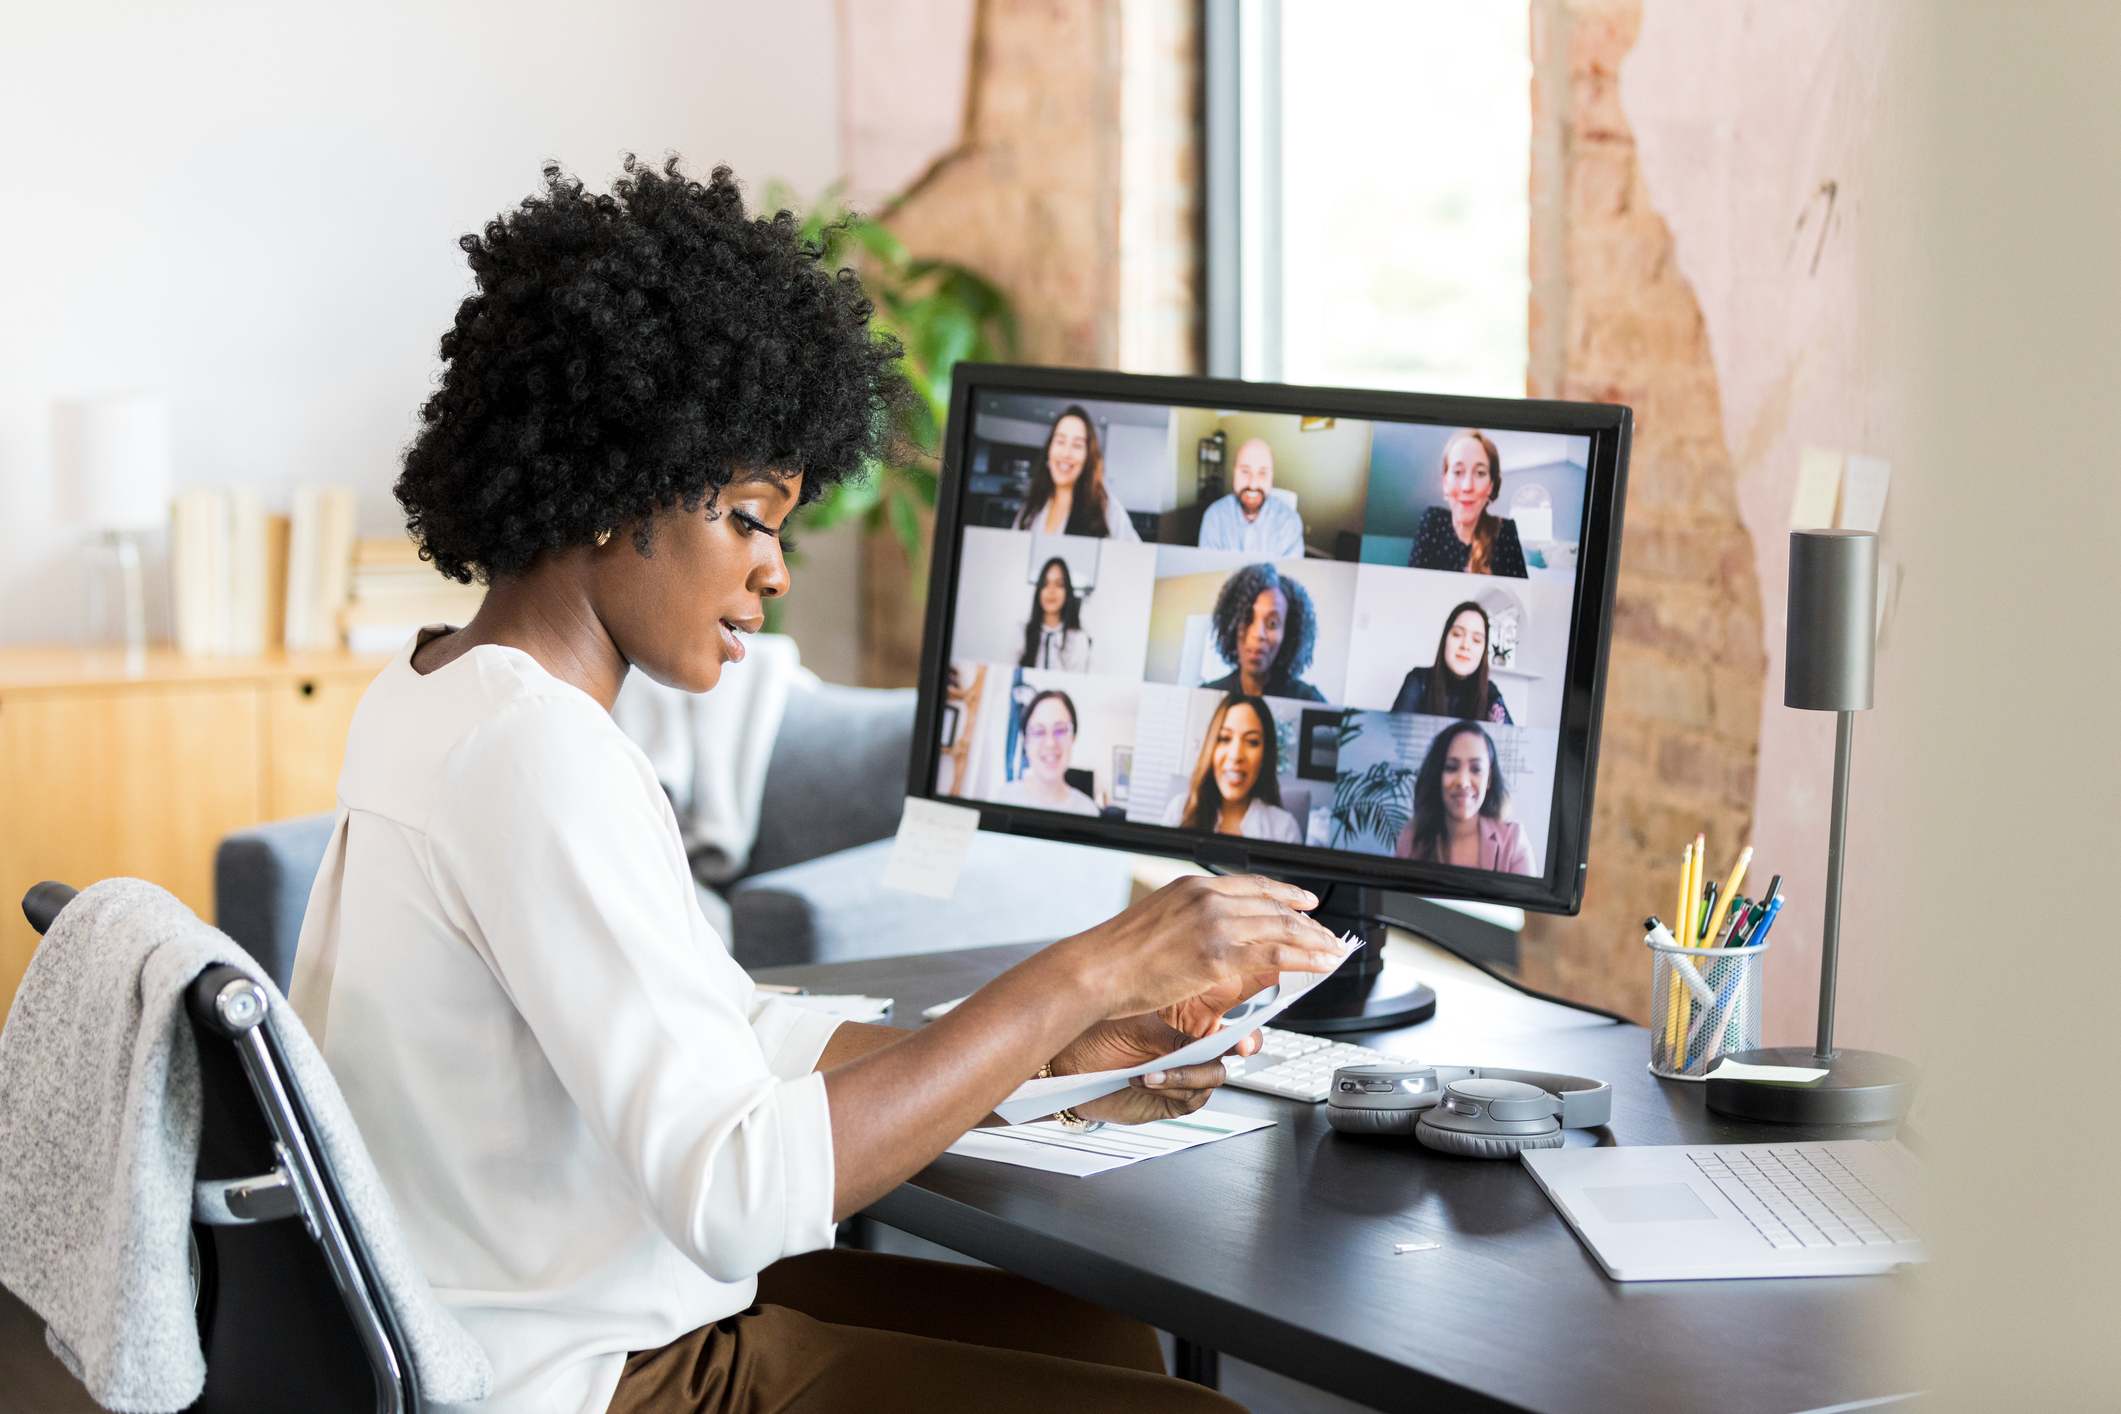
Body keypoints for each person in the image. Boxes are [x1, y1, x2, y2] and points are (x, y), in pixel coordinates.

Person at [290, 158, 1350, 1414]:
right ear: (616, 492)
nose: (776, 570)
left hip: (513, 1329)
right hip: (585, 1384)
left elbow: (729, 1037)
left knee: (1097, 1340)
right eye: (747, 516)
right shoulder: (536, 758)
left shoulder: (440, 691)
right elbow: (736, 1190)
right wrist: (1089, 968)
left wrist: (1063, 1052)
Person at [1393, 721, 1536, 875]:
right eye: (1451, 767)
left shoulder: (1513, 842)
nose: (1463, 782)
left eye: (1476, 769)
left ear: (1488, 780)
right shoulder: (1411, 837)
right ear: (1437, 776)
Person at [1161, 692, 1304, 843]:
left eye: (1252, 741)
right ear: (1211, 748)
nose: (1236, 755)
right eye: (1224, 738)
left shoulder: (1284, 830)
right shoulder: (1178, 811)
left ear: (1265, 755)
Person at [1407, 428, 1529, 578]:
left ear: (1490, 486)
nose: (1467, 486)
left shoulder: (1506, 532)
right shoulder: (1433, 521)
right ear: (1445, 482)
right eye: (1458, 472)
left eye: (1480, 473)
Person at [1198, 562, 1327, 702]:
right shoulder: (1206, 695)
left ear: (1287, 634)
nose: (1258, 634)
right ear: (1231, 625)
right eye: (1247, 619)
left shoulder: (1309, 701)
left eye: (1272, 624)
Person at [1015, 404, 1140, 540]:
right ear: (1049, 450)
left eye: (1077, 445)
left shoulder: (1106, 509)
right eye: (1060, 441)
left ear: (1088, 458)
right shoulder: (1032, 507)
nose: (1066, 453)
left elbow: (1137, 557)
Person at [1390, 600, 1514, 723]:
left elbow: (1510, 738)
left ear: (1484, 651)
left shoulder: (1489, 692)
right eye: (1457, 634)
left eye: (1476, 640)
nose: (1465, 645)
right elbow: (1392, 735)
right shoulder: (1418, 680)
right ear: (1445, 639)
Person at [995, 688, 1101, 816]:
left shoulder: (1088, 811)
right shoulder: (1004, 799)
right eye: (1039, 731)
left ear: (1073, 738)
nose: (1050, 743)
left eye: (1060, 730)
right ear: (1026, 742)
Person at [1197, 435, 1303, 556]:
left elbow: (1290, 572)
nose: (1253, 484)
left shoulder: (1290, 522)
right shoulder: (1214, 517)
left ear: (1271, 477)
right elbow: (1209, 570)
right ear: (1234, 473)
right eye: (1245, 471)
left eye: (1262, 473)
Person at [1018, 556, 1092, 671]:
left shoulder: (1079, 639)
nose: (1051, 590)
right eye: (1045, 584)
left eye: (1059, 584)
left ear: (1067, 592)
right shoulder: (1022, 633)